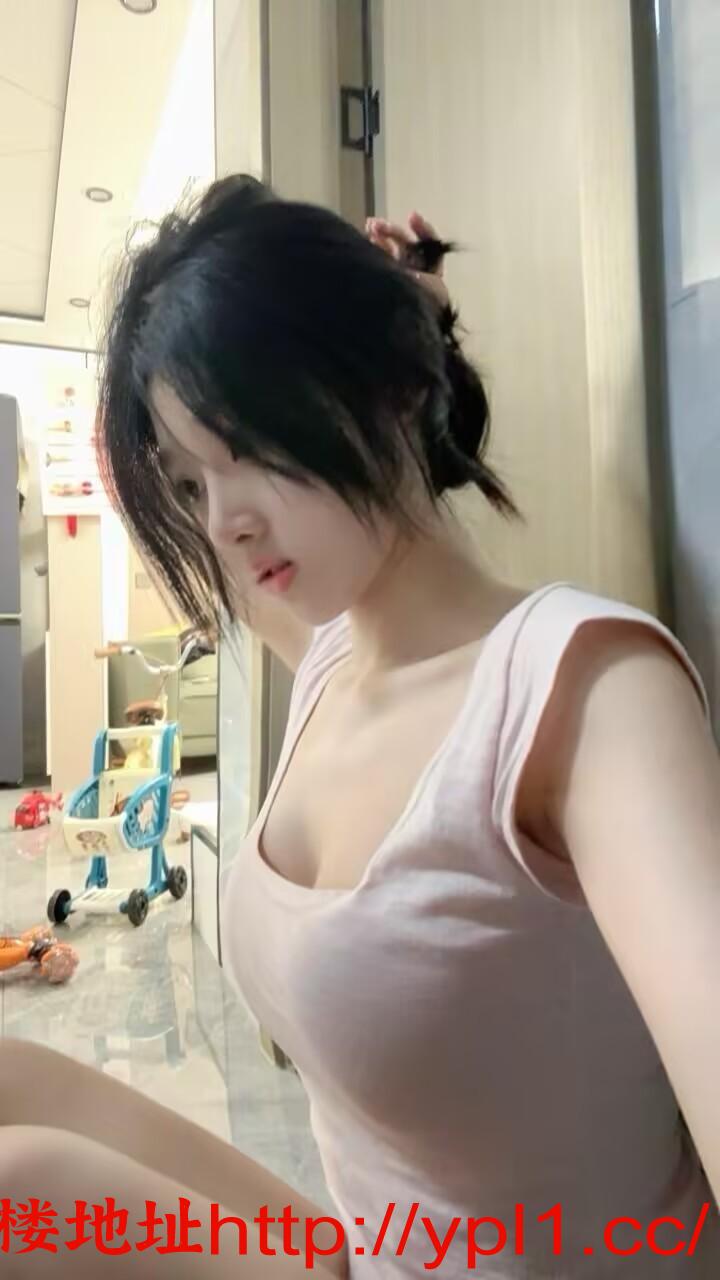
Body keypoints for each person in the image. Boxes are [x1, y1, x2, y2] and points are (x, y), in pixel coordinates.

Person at [1, 174, 719, 1276]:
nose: (225, 521)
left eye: (245, 442)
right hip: (371, 1250)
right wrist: (401, 316)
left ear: (391, 387)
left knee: (20, 1189)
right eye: (189, 485)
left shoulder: (585, 693)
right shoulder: (332, 660)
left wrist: (394, 334)